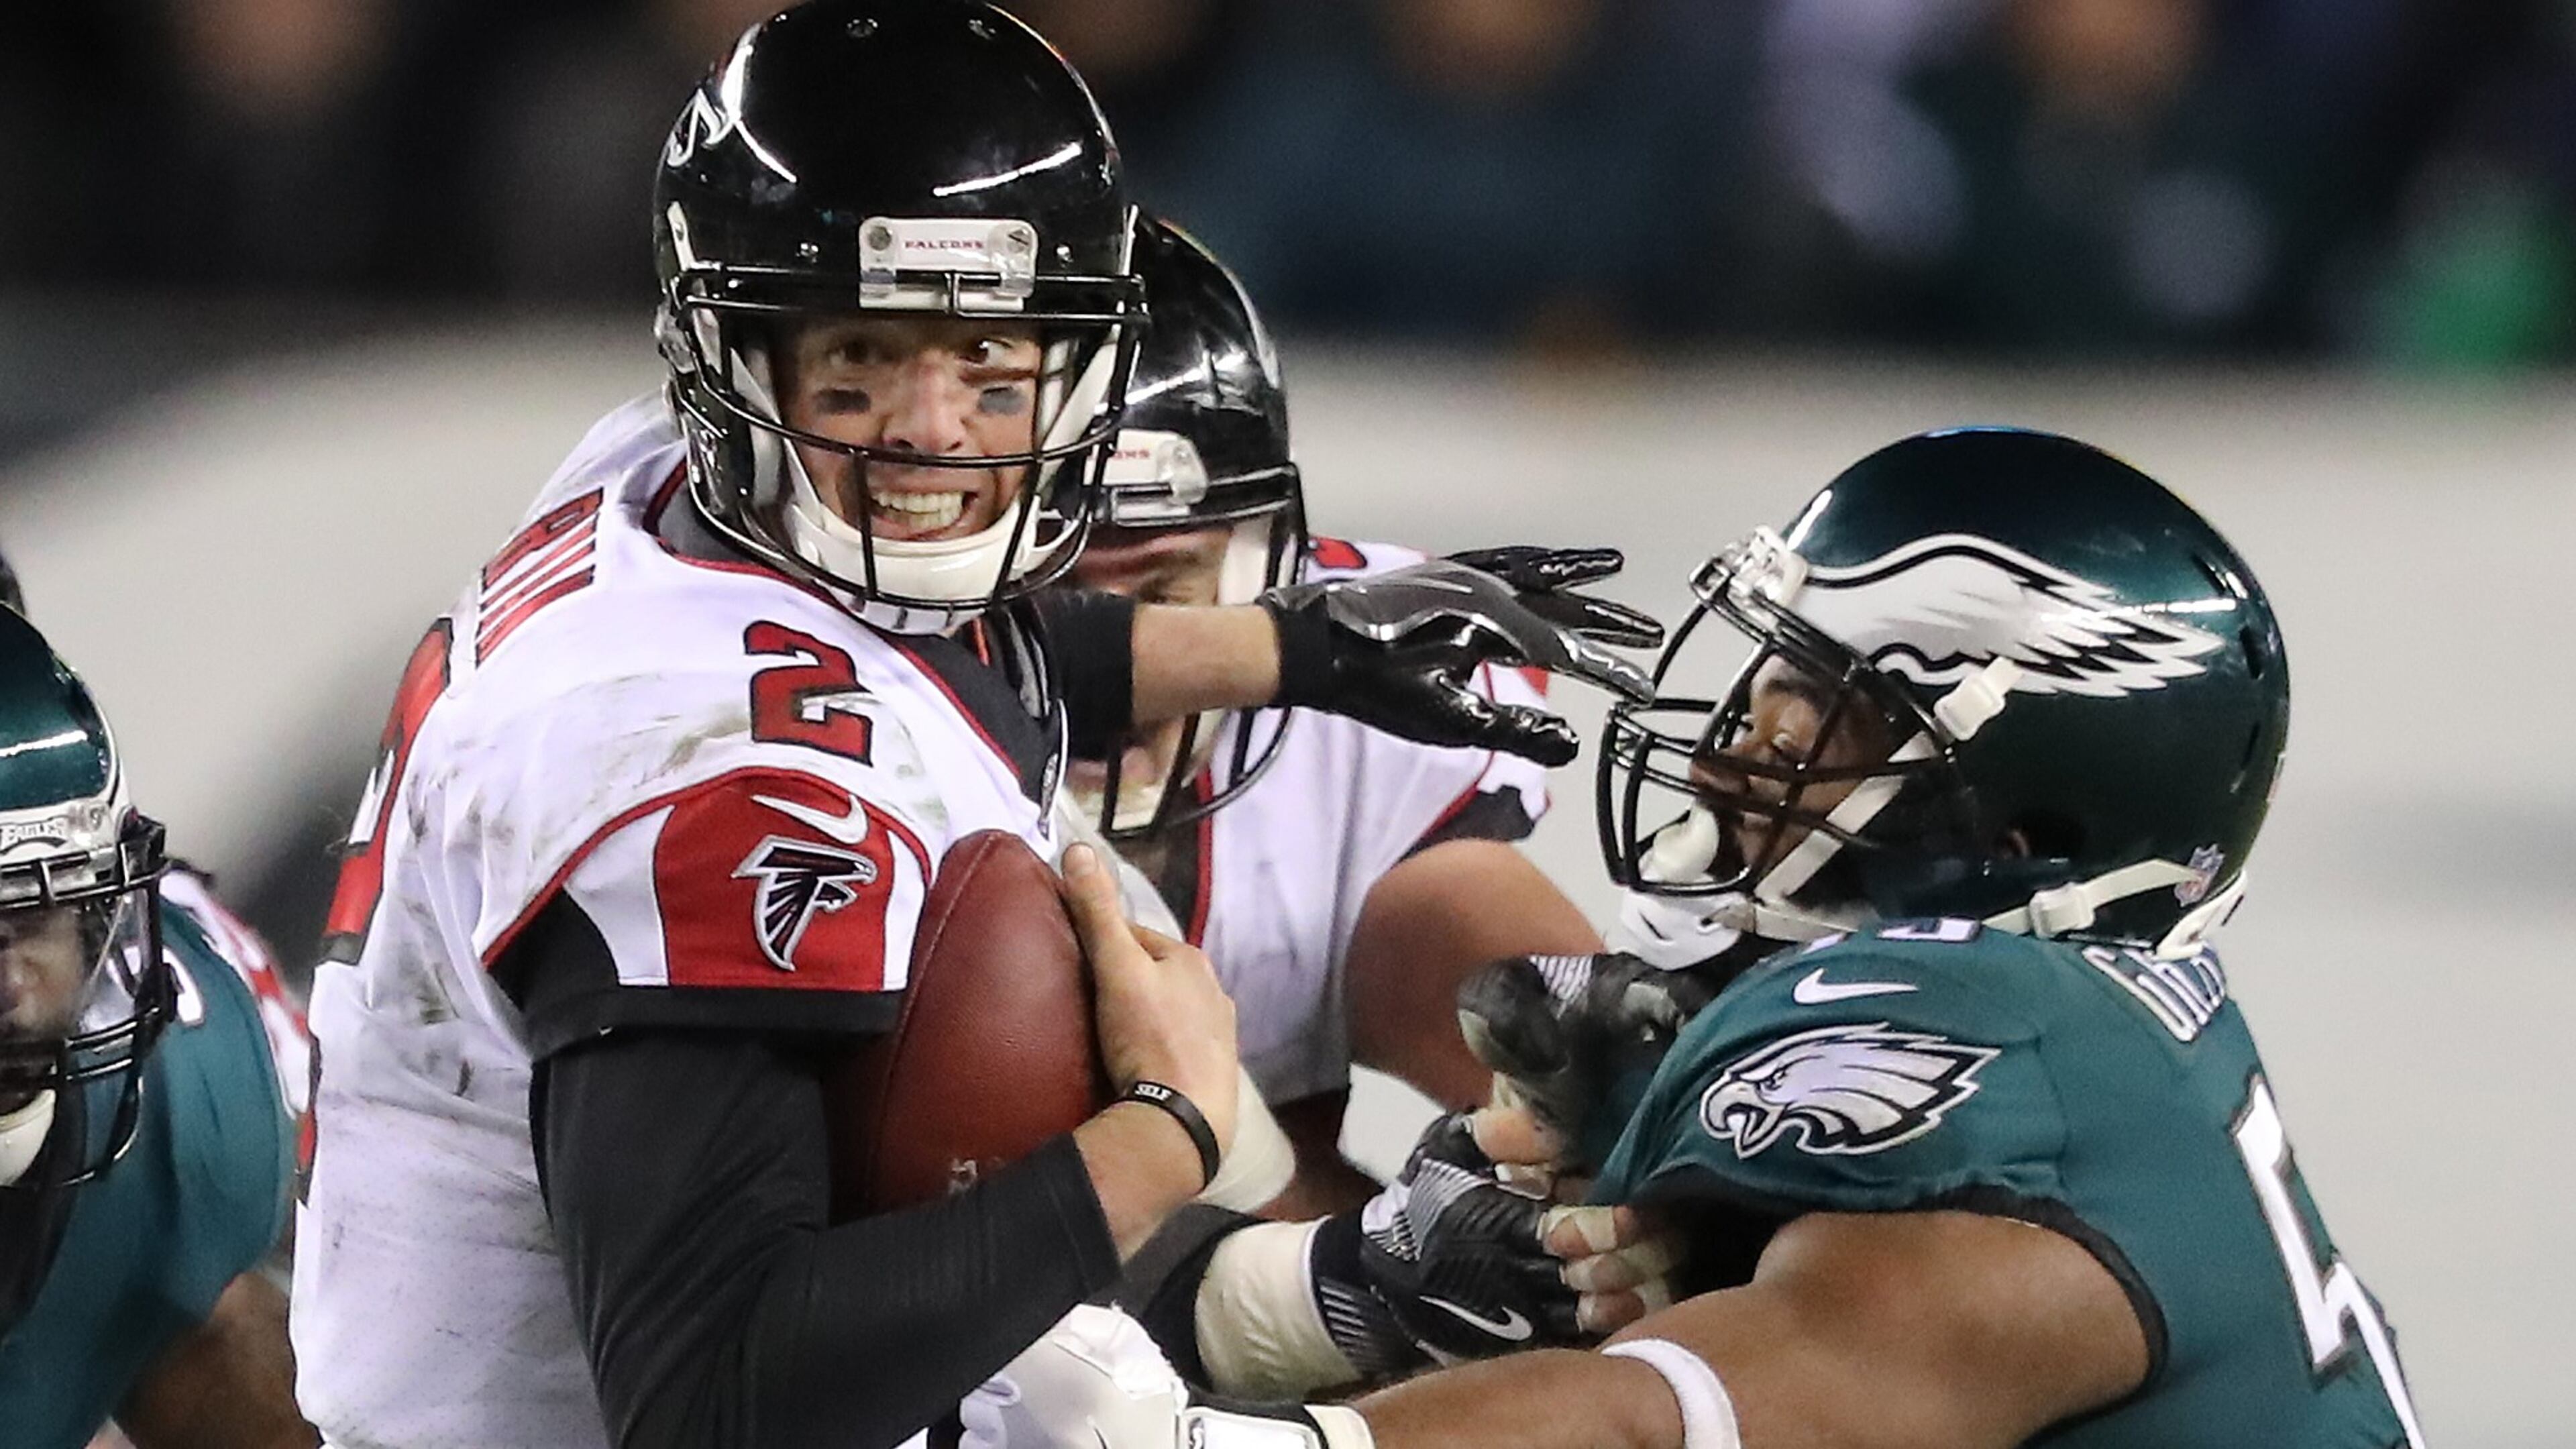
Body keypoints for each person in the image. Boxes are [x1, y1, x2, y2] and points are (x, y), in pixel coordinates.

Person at [288, 6, 1652, 1448]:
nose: (933, 433)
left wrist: (1279, 649)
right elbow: (710, 1408)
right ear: (744, 360)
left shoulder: (664, 494)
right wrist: (1166, 1132)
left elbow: (925, 639)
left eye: (994, 369)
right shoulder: (725, 788)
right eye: (862, 365)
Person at [981, 427, 2428, 1448]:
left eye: (1827, 718)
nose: (1739, 750)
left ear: (2016, 838)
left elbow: (1673, 1422)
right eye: (1765, 680)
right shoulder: (2077, 1033)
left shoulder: (1993, 1048)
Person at [1053, 217, 1640, 1214]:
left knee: (1605, 1088)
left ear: (1269, 556)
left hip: (1223, 1293)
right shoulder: (824, 718)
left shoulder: (1354, 727)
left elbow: (1604, 1104)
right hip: (941, 1305)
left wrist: (1635, 1188)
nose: (1124, 647)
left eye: (1165, 585)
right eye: (1051, 592)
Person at [0, 607, 311, 1449]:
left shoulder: (188, 1102)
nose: (5, 990)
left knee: (215, 1324)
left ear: (104, 919)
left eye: (34, 915)